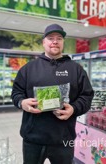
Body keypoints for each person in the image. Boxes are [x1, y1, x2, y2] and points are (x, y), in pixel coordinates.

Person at [11, 23, 94, 164]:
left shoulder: (76, 70)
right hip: (33, 139)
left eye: (59, 38)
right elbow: (16, 93)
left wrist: (73, 109)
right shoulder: (28, 69)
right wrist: (22, 103)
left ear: (63, 43)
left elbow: (86, 96)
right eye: (50, 38)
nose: (55, 41)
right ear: (44, 42)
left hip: (64, 138)